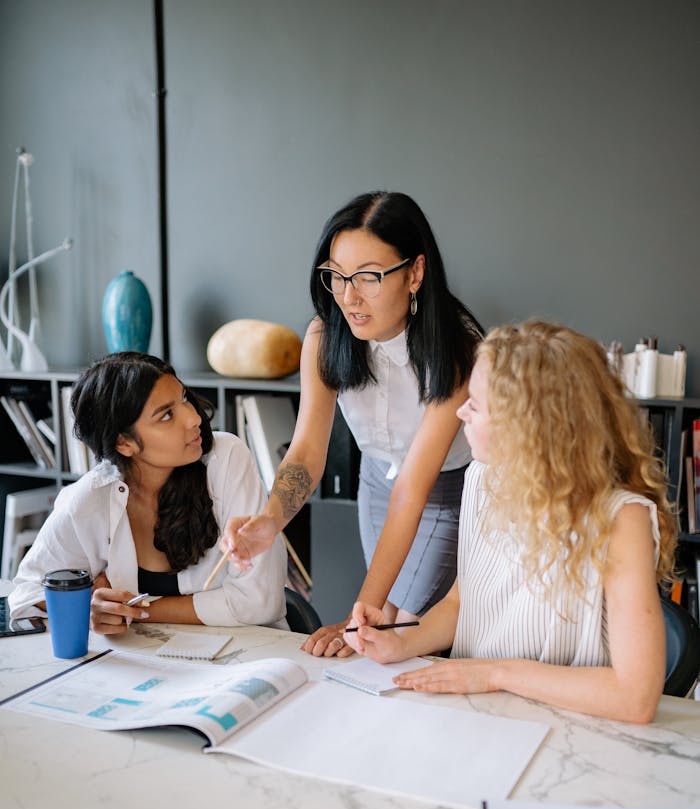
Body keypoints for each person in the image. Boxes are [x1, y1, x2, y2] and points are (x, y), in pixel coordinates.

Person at [343, 321, 677, 724]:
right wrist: (401, 641)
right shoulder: (482, 478)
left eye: (477, 405)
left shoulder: (622, 519)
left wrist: (495, 673)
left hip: (576, 728)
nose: (461, 411)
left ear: (529, 427)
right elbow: (461, 603)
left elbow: (635, 699)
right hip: (481, 716)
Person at [222, 190, 482, 657]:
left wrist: (360, 613)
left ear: (415, 273)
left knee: (401, 629)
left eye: (368, 277)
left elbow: (415, 488)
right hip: (376, 486)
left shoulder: (457, 348)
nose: (348, 297)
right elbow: (306, 452)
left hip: (446, 491)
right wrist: (269, 520)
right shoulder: (325, 336)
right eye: (337, 277)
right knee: (383, 631)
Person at [10, 352, 286, 634]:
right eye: (167, 415)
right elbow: (25, 593)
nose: (193, 418)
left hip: (248, 654)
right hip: (149, 663)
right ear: (124, 442)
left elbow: (258, 602)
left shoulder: (225, 458)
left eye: (184, 399)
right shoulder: (91, 498)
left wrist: (136, 610)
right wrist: (89, 604)